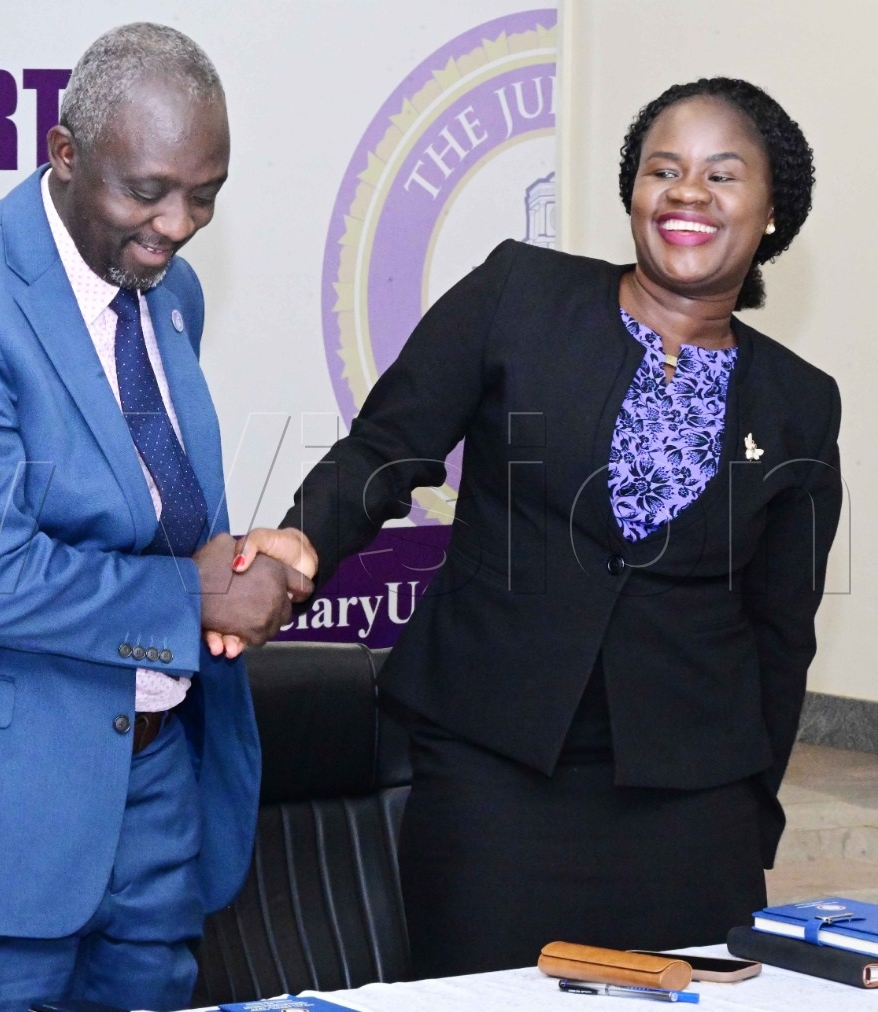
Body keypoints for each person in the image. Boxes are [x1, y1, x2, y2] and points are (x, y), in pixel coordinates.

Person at [228, 78, 839, 976]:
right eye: (662, 169)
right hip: (494, 770)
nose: (687, 193)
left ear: (772, 208)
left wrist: (756, 809)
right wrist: (303, 537)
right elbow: (387, 447)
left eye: (722, 174)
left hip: (691, 804)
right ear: (633, 190)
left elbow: (781, 629)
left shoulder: (801, 402)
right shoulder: (520, 291)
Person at [0, 23, 309, 1012]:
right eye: (148, 191)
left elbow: (144, 512)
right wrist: (194, 598)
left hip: (152, 790)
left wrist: (240, 570)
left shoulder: (169, 293)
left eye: (204, 195)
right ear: (64, 153)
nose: (176, 224)